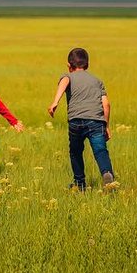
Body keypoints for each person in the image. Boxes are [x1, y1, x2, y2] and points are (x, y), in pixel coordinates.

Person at [47, 47, 115, 191]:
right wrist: (106, 126)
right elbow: (106, 104)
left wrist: (55, 101)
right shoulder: (97, 81)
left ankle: (79, 183)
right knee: (100, 150)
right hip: (96, 121)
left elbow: (64, 81)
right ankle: (107, 174)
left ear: (69, 65)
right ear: (87, 64)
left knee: (76, 151)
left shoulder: (68, 76)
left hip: (76, 120)